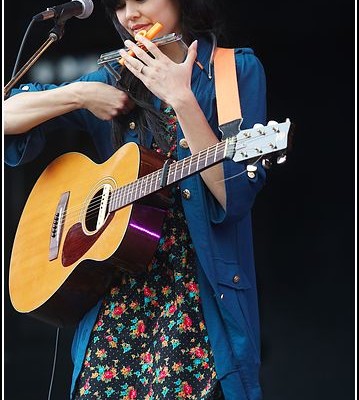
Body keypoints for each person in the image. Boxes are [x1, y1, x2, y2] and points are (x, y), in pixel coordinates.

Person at [4, 0, 268, 398]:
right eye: (120, 5)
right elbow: (8, 114)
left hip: (197, 305)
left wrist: (181, 99)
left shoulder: (234, 72)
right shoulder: (114, 78)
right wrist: (78, 94)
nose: (131, 15)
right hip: (114, 308)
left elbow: (235, 195)